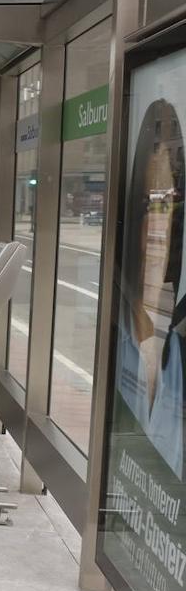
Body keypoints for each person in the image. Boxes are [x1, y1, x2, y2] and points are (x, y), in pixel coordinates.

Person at [115, 99, 186, 477]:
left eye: (170, 203)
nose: (159, 225)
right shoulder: (114, 331)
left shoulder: (178, 337)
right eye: (150, 203)